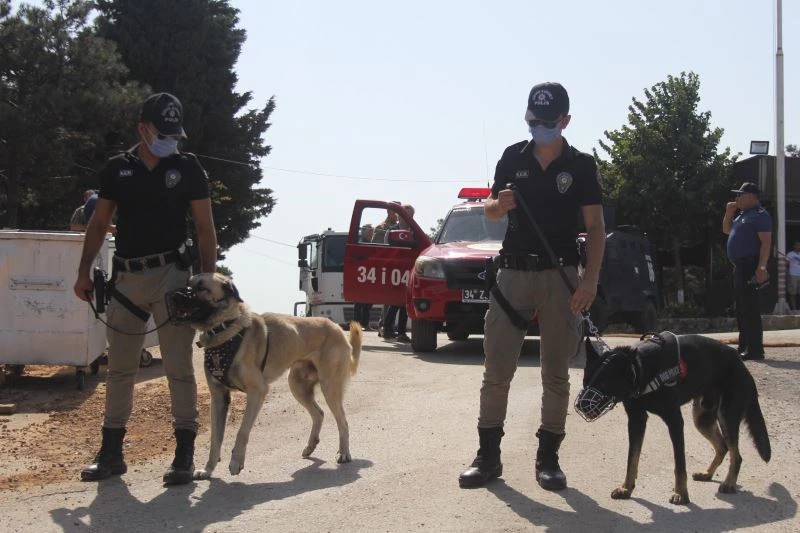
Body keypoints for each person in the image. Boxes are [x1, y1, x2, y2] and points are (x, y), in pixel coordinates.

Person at [458, 82, 605, 491]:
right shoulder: (511, 157)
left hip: (561, 277)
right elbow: (489, 210)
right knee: (496, 370)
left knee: (556, 372)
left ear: (565, 121)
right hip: (513, 275)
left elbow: (595, 226)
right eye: (533, 121)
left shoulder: (581, 165)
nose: (539, 128)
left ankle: (549, 458)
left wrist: (590, 279)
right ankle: (488, 457)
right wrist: (496, 206)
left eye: (547, 122)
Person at [73, 92, 218, 485]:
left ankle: (184, 454)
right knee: (119, 369)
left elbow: (205, 229)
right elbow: (100, 223)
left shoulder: (188, 169)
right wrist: (84, 270)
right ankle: (111, 453)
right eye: (163, 133)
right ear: (143, 128)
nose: (170, 141)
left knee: (177, 367)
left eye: (175, 134)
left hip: (171, 274)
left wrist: (208, 283)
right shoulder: (117, 169)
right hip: (126, 279)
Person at [723, 182, 772, 361]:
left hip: (751, 264)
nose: (736, 199)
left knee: (750, 308)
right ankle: (744, 345)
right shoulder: (742, 214)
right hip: (739, 266)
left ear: (750, 197)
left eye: (740, 195)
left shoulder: (760, 215)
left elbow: (766, 243)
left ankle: (755, 349)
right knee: (741, 308)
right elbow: (727, 230)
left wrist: (762, 267)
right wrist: (728, 214)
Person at [382, 204, 415, 342]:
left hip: (409, 269)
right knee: (395, 301)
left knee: (405, 301)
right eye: (405, 214)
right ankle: (387, 328)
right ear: (399, 215)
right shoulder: (391, 231)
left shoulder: (415, 230)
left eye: (410, 214)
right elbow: (386, 250)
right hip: (394, 269)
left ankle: (400, 332)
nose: (408, 217)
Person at [353, 225, 375, 330]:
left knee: (367, 302)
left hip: (368, 275)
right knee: (360, 303)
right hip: (362, 276)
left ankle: (364, 324)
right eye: (370, 231)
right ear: (364, 232)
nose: (372, 233)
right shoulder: (362, 243)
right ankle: (358, 324)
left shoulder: (370, 243)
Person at [786, 241, 800, 310]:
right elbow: (786, 264)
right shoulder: (790, 254)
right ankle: (794, 309)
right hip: (793, 275)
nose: (798, 246)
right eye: (797, 245)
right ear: (794, 246)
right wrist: (787, 273)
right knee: (793, 293)